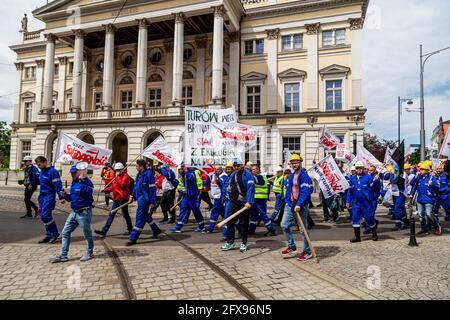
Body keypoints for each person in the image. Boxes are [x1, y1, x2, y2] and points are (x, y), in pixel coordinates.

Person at [49, 162, 94, 263]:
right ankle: (63, 255)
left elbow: (88, 193)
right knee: (65, 232)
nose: (72, 174)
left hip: (84, 212)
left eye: (74, 173)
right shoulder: (74, 183)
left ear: (80, 172)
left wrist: (83, 180)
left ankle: (89, 253)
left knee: (87, 234)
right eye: (71, 173)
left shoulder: (87, 181)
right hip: (74, 212)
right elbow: (72, 198)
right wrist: (65, 195)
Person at [280, 154, 314, 261]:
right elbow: (288, 189)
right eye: (292, 163)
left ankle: (307, 251)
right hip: (290, 204)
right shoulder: (291, 176)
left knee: (303, 229)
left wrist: (299, 204)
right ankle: (291, 246)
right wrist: (288, 201)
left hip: (302, 205)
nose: (294, 165)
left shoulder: (304, 176)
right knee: (284, 225)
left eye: (296, 162)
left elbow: (306, 192)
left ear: (300, 163)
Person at [221, 158, 255, 253]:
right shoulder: (233, 175)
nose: (236, 168)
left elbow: (250, 189)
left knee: (243, 223)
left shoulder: (248, 175)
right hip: (234, 200)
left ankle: (244, 243)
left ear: (242, 165)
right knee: (229, 220)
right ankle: (230, 242)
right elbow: (230, 184)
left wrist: (248, 202)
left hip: (244, 202)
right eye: (234, 166)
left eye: (237, 166)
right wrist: (229, 188)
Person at [126, 160, 162, 246]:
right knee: (146, 216)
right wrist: (132, 196)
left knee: (139, 218)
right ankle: (156, 230)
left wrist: (153, 201)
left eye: (137, 166)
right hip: (139, 199)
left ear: (141, 166)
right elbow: (136, 187)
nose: (136, 167)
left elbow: (152, 189)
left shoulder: (148, 174)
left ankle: (133, 238)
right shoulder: (138, 175)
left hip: (145, 200)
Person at [94, 162, 133, 237]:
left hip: (123, 198)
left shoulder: (126, 176)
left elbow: (122, 184)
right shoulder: (117, 176)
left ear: (122, 169)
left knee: (125, 215)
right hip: (116, 198)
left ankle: (130, 229)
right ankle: (104, 231)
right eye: (116, 170)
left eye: (118, 170)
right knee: (111, 214)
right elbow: (113, 187)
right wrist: (106, 190)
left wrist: (117, 177)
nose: (117, 171)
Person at [346, 161, 379, 242]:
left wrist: (376, 181)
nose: (359, 170)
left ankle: (374, 234)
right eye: (357, 168)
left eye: (360, 168)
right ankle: (357, 237)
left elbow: (374, 188)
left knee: (369, 218)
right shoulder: (352, 178)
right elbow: (350, 191)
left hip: (366, 203)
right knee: (355, 218)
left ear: (363, 169)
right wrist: (347, 201)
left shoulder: (368, 177)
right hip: (356, 203)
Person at [35, 156, 65, 244]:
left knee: (45, 215)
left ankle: (55, 233)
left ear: (45, 162)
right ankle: (49, 235)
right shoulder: (41, 171)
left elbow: (58, 185)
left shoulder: (53, 172)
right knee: (43, 216)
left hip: (49, 196)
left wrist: (61, 197)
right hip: (42, 196)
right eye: (37, 165)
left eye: (39, 164)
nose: (38, 167)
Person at [170, 166, 205, 233]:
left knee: (196, 210)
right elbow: (183, 183)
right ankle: (178, 227)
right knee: (183, 209)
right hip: (186, 195)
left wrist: (185, 172)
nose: (180, 170)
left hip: (193, 195)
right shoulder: (183, 174)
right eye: (179, 169)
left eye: (181, 169)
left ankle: (201, 225)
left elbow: (190, 178)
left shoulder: (192, 173)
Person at [409, 162, 441, 235]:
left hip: (429, 199)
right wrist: (412, 194)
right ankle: (424, 229)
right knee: (420, 215)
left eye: (422, 169)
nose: (420, 170)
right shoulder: (419, 177)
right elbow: (412, 184)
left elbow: (437, 188)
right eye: (420, 169)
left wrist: (432, 184)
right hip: (420, 199)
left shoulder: (432, 178)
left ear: (427, 170)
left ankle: (437, 226)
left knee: (429, 214)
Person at [248, 164, 276, 236]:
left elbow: (255, 180)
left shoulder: (260, 177)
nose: (253, 171)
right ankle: (251, 230)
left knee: (263, 215)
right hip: (255, 199)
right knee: (253, 215)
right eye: (252, 169)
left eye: (254, 169)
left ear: (258, 170)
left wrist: (247, 174)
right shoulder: (256, 176)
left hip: (260, 200)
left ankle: (272, 230)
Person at [205, 165, 228, 233]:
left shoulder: (224, 176)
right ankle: (230, 226)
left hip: (220, 197)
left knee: (214, 212)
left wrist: (218, 180)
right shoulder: (211, 175)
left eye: (218, 169)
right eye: (216, 169)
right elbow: (207, 184)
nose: (217, 170)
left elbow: (223, 184)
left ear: (221, 169)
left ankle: (210, 228)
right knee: (223, 212)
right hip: (214, 197)